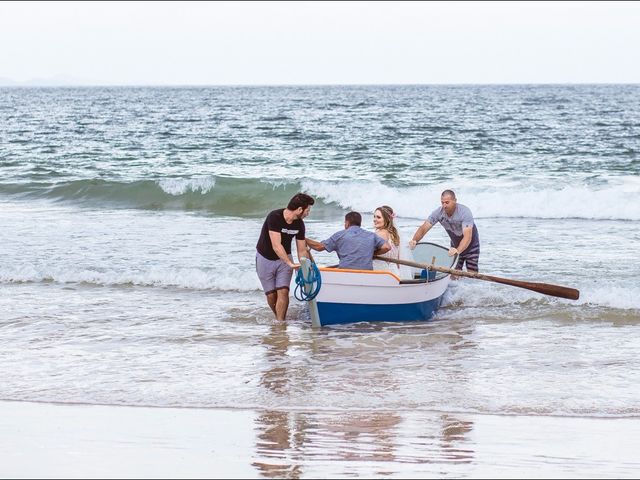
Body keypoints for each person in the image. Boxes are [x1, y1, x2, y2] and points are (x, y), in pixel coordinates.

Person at [255, 193, 315, 321]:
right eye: (307, 210)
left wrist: (304, 266)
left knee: (283, 291)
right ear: (299, 209)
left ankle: (281, 323)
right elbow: (276, 245)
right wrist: (290, 263)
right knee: (271, 296)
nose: (308, 213)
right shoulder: (274, 217)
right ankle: (279, 318)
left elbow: (301, 250)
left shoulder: (299, 224)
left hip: (285, 260)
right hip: (265, 258)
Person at [408, 189, 480, 272]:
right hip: (454, 246)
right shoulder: (438, 213)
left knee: (472, 273)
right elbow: (424, 228)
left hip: (471, 246)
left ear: (455, 201)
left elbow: (468, 237)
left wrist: (458, 250)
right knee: (454, 274)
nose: (444, 205)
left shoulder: (465, 212)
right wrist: (414, 240)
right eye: (442, 202)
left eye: (447, 202)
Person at [306, 211, 391, 270]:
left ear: (347, 223)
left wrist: (304, 239)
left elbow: (319, 247)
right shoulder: (371, 235)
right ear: (359, 223)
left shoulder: (340, 235)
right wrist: (372, 253)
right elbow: (387, 247)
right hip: (366, 274)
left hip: (345, 273)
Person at [371, 205, 401, 272]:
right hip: (394, 272)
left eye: (378, 217)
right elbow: (398, 261)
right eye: (374, 216)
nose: (374, 220)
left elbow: (368, 252)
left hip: (380, 272)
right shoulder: (395, 234)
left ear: (386, 219)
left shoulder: (380, 234)